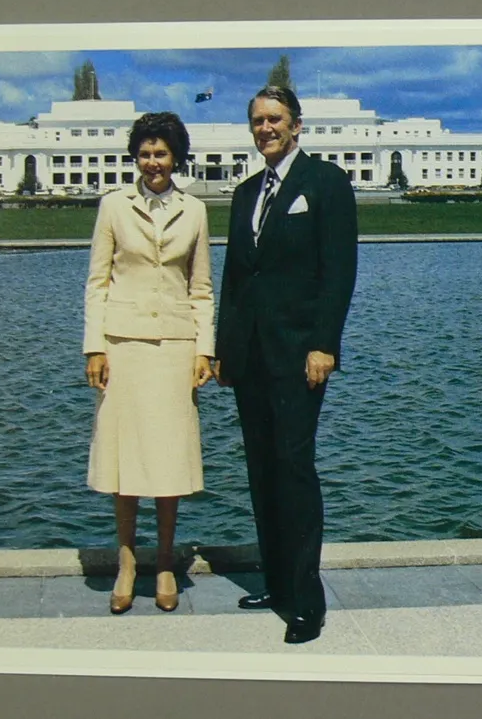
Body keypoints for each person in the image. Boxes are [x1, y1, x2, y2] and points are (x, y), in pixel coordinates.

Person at [213, 85, 358, 644]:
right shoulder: (247, 191)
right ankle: (275, 580)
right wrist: (226, 350)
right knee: (262, 469)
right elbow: (235, 278)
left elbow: (338, 271)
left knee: (294, 470)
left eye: (274, 119)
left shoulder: (325, 183)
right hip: (250, 358)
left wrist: (325, 345)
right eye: (257, 121)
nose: (265, 129)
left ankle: (306, 601)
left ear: (297, 125)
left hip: (300, 357)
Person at [82, 111, 215, 615]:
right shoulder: (114, 206)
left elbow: (200, 289)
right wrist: (95, 346)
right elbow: (98, 283)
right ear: (135, 158)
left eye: (161, 153)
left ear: (175, 157)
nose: (153, 162)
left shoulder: (195, 211)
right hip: (123, 346)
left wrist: (205, 349)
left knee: (166, 458)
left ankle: (163, 561)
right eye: (145, 153)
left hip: (175, 348)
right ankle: (127, 561)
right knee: (123, 459)